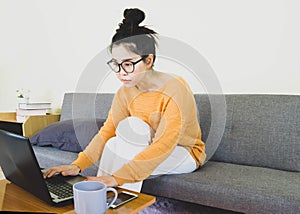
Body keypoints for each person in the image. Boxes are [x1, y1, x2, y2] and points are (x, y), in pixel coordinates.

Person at [44, 8, 206, 192]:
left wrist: (117, 177)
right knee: (115, 140)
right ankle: (103, 200)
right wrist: (78, 165)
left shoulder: (175, 88)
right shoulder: (125, 92)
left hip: (182, 152)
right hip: (145, 146)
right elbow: (108, 131)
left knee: (133, 130)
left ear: (149, 60)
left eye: (128, 64)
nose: (121, 72)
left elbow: (164, 144)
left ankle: (110, 198)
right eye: (116, 64)